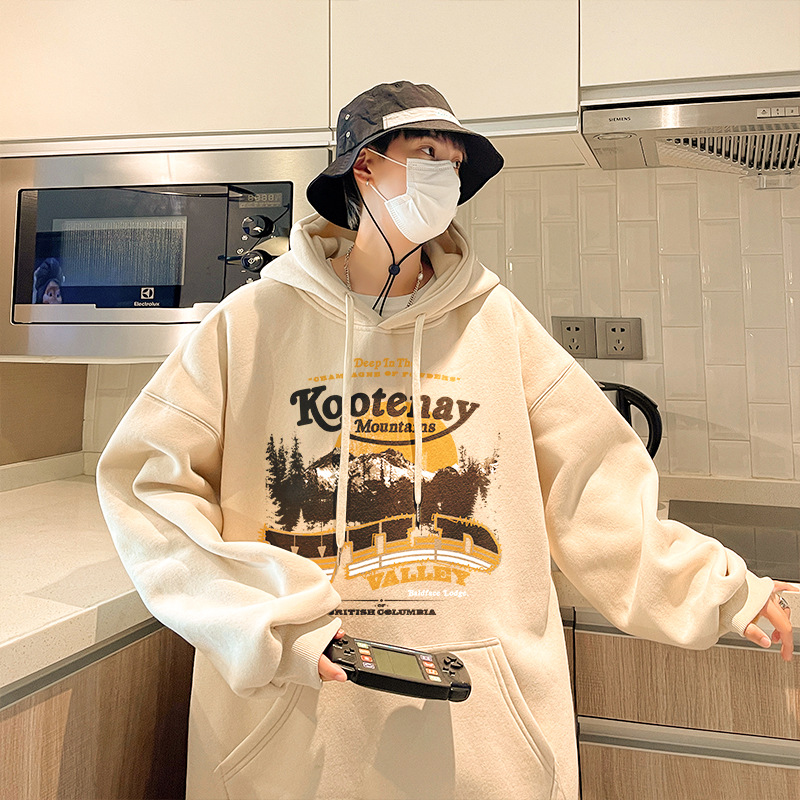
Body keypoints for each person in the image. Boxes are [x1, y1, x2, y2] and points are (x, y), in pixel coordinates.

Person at [96, 81, 797, 800]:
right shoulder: (249, 323)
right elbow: (146, 489)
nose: (447, 176)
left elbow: (595, 493)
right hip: (293, 725)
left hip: (479, 733)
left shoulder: (496, 323)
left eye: (456, 163)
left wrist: (725, 591)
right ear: (365, 165)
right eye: (428, 153)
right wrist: (269, 620)